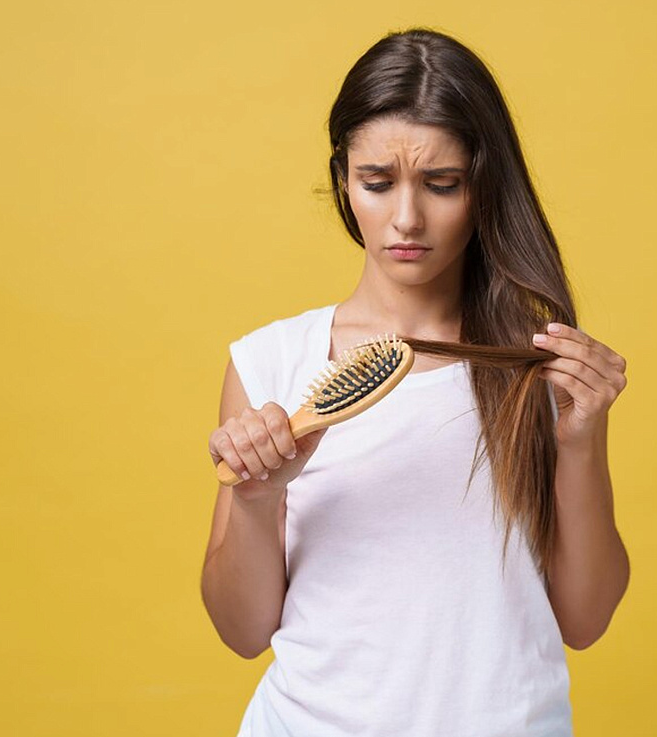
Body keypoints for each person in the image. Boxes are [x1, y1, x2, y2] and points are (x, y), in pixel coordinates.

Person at [202, 27, 630, 736]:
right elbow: (241, 631)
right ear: (343, 180)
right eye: (377, 183)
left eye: (442, 184)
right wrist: (257, 497)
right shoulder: (271, 362)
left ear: (482, 185)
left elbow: (585, 620)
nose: (406, 218)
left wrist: (582, 441)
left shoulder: (536, 367)